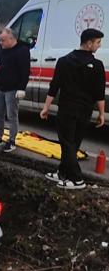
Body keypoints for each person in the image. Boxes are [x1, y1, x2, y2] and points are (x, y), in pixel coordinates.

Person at [40, 28, 105, 189]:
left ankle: (76, 179)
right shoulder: (97, 65)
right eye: (97, 42)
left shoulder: (64, 61)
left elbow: (54, 87)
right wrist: (101, 113)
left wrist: (46, 107)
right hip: (85, 110)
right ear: (89, 43)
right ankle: (63, 172)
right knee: (73, 144)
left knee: (68, 143)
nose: (98, 46)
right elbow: (99, 93)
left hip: (67, 109)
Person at [0, 27, 31, 152]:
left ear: (11, 38)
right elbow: (1, 67)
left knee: (12, 115)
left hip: (13, 89)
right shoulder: (4, 50)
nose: (1, 43)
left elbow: (25, 70)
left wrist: (22, 88)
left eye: (3, 40)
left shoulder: (22, 51)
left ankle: (12, 140)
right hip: (2, 87)